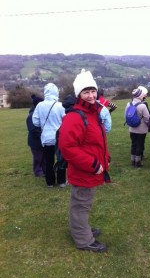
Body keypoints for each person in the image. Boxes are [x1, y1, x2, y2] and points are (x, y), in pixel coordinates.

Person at [58, 69, 111, 253]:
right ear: (78, 95)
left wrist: (106, 158)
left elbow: (97, 141)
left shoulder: (93, 113)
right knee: (80, 205)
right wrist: (94, 164)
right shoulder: (75, 117)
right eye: (85, 92)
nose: (91, 95)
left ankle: (82, 229)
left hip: (92, 170)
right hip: (84, 171)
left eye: (93, 91)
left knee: (83, 204)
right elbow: (68, 148)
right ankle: (83, 239)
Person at [32, 83, 66, 188]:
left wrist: (44, 125)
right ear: (56, 92)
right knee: (61, 159)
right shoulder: (60, 105)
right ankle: (61, 181)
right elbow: (66, 120)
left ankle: (50, 182)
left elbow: (35, 122)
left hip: (46, 137)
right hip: (59, 137)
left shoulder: (39, 105)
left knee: (48, 160)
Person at [124, 86, 150, 167]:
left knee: (134, 144)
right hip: (141, 130)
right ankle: (137, 162)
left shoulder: (128, 104)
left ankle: (132, 160)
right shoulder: (142, 106)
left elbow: (125, 116)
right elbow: (147, 119)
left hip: (132, 128)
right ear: (140, 96)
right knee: (140, 144)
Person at [26, 94, 46, 177]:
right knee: (38, 157)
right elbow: (33, 130)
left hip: (42, 139)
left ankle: (44, 170)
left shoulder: (40, 113)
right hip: (35, 141)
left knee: (44, 157)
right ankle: (37, 171)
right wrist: (42, 136)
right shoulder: (31, 116)